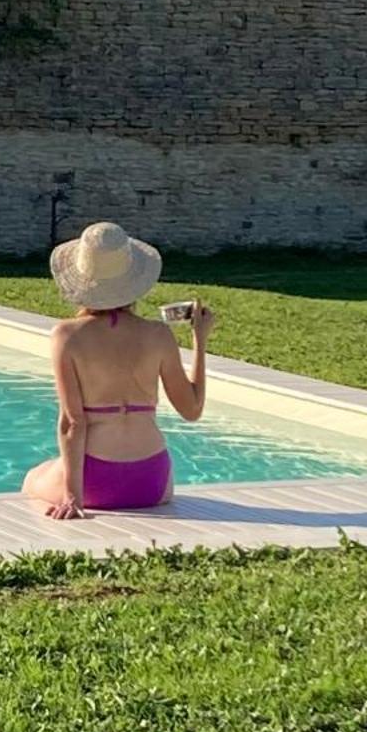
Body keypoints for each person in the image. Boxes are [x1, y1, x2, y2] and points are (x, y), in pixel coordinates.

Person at [20, 220, 215, 519]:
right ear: (133, 280)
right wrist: (199, 340)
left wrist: (73, 496)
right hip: (153, 481)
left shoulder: (67, 336)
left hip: (95, 480)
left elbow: (72, 423)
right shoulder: (158, 334)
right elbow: (192, 410)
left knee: (33, 477)